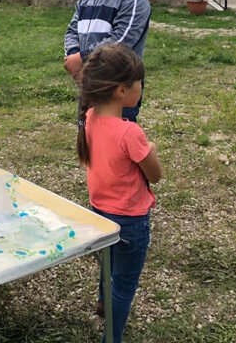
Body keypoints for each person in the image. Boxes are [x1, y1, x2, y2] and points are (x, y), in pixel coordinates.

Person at [76, 43, 162, 343]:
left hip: (99, 212)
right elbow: (155, 175)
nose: (142, 88)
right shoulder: (130, 132)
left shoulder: (89, 117)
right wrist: (150, 150)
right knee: (124, 286)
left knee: (108, 262)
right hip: (131, 221)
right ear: (121, 91)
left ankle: (103, 302)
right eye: (140, 83)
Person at [64, 0, 151, 122]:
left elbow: (120, 42)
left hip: (119, 87)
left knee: (116, 138)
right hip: (89, 84)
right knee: (87, 133)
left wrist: (82, 58)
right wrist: (73, 55)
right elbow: (71, 31)